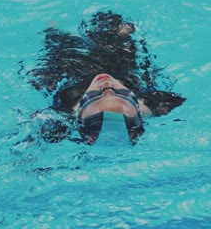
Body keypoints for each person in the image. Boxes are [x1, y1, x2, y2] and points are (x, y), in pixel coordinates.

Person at [18, 11, 185, 145]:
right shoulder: (152, 105)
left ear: (79, 111)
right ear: (138, 105)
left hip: (66, 68)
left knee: (55, 31)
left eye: (94, 96)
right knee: (117, 26)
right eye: (122, 93)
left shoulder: (62, 117)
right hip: (120, 65)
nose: (106, 84)